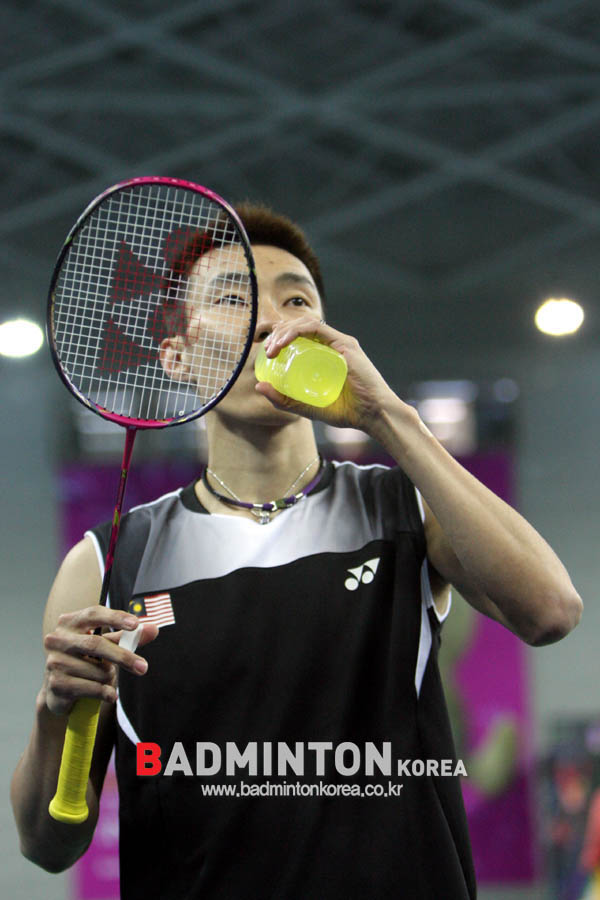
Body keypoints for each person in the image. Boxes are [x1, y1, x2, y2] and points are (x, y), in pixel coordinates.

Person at [11, 203, 583, 899]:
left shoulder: (405, 509)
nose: (271, 321)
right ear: (177, 356)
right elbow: (47, 844)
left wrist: (387, 416)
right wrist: (53, 710)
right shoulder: (108, 563)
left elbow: (550, 611)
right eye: (233, 299)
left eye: (296, 301)